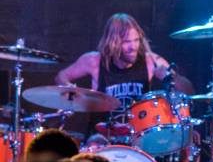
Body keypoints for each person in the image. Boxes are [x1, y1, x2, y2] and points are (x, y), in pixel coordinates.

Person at [55, 13, 194, 134]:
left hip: (137, 139)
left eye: (136, 40)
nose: (133, 47)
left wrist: (171, 78)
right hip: (102, 138)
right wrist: (70, 90)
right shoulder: (94, 61)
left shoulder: (150, 60)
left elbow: (188, 91)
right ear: (112, 42)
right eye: (127, 42)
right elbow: (61, 76)